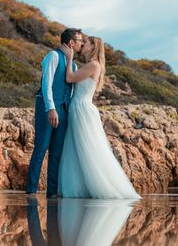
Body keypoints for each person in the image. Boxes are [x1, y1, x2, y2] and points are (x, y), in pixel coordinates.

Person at [58, 36, 141, 199]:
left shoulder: (93, 65)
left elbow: (69, 78)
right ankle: (81, 188)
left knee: (87, 149)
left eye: (86, 42)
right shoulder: (91, 65)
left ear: (93, 47)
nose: (83, 44)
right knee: (76, 149)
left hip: (81, 109)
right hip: (79, 108)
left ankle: (100, 188)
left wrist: (69, 59)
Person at [25, 28, 84, 197]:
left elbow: (70, 90)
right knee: (41, 147)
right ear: (71, 42)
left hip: (64, 109)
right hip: (48, 107)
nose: (81, 43)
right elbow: (47, 84)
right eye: (79, 40)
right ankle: (31, 190)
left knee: (57, 152)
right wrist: (50, 108)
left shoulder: (73, 64)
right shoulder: (53, 56)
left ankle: (51, 192)